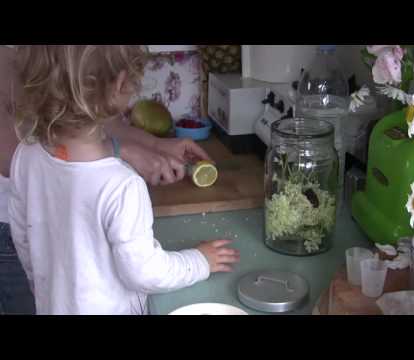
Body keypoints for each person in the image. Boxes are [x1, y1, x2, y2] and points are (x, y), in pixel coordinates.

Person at [5, 45, 240, 315]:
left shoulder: (26, 154)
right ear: (120, 85)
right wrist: (200, 261)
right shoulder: (122, 185)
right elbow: (145, 273)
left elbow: (22, 234)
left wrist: (43, 287)